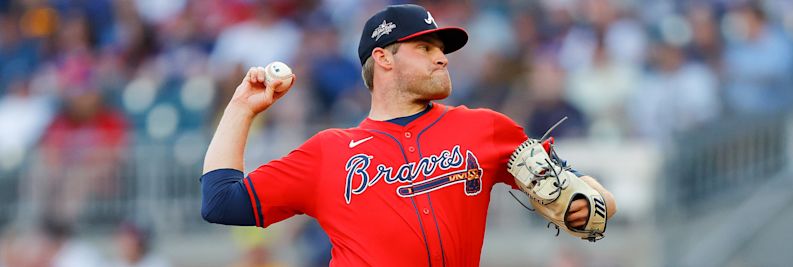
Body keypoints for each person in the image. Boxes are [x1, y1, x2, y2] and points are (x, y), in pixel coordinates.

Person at [200, 4, 616, 266]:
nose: (442, 58)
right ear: (382, 58)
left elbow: (590, 197)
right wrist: (240, 109)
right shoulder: (330, 152)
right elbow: (220, 202)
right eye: (425, 47)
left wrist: (586, 204)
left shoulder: (484, 128)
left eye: (442, 49)